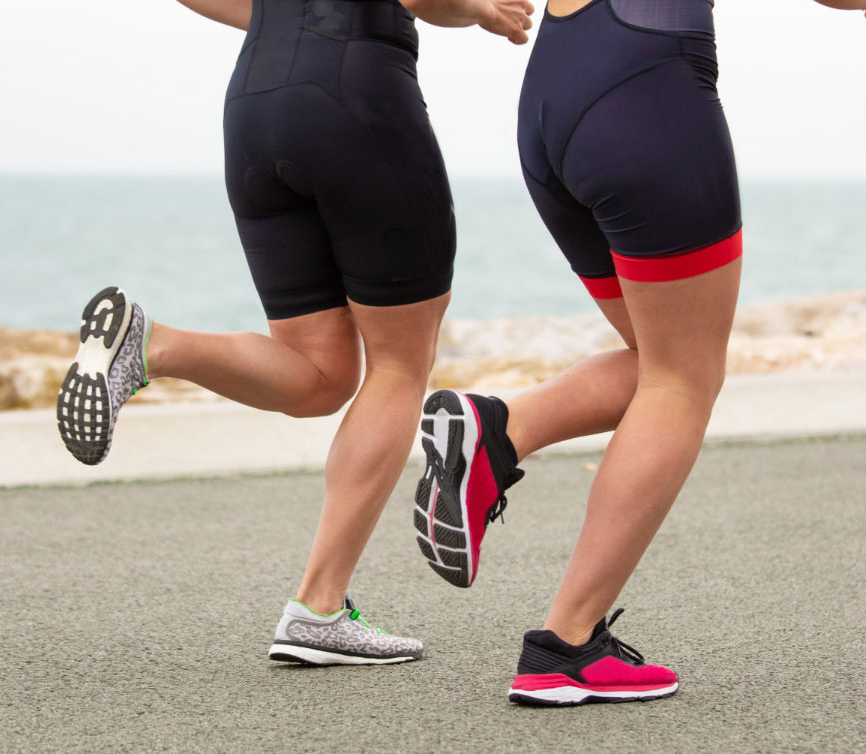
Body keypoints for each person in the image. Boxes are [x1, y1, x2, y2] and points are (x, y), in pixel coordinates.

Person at [414, 0, 866, 704]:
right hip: (646, 90)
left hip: (553, 95)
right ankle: (566, 645)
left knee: (662, 361)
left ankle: (499, 429)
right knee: (684, 380)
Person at [58, 0, 532, 666]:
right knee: (399, 366)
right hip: (356, 98)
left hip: (256, 104)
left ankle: (152, 345)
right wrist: (481, 10)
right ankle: (319, 608)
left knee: (321, 375)